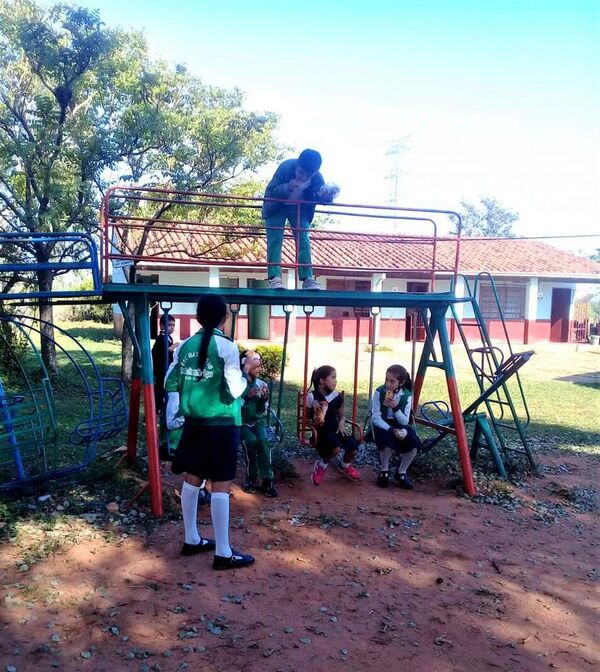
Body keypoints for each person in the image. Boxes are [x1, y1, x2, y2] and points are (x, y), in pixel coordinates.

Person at [165, 295, 255, 570]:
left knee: (194, 479)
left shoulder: (183, 346)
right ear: (224, 319)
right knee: (221, 484)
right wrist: (247, 369)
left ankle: (192, 538)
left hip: (194, 424)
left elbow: (170, 381)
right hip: (222, 424)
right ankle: (224, 552)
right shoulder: (227, 347)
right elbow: (237, 389)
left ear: (197, 318)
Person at [262, 148, 339, 291]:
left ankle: (308, 278)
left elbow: (322, 198)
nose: (303, 176)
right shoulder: (286, 167)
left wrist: (326, 196)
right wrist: (289, 186)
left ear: (314, 173)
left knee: (303, 238)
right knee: (275, 238)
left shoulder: (317, 178)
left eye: (307, 175)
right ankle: (275, 277)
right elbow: (272, 191)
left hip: (299, 208)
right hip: (276, 206)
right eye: (300, 172)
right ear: (297, 165)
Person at [306, 365, 360, 486]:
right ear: (322, 380)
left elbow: (342, 416)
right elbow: (306, 419)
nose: (336, 381)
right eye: (333, 377)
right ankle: (321, 465)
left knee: (353, 447)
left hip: (335, 430)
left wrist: (341, 424)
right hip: (321, 433)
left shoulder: (336, 396)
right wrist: (315, 422)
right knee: (336, 448)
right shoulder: (312, 397)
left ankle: (345, 465)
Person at [371, 364, 421, 489]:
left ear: (401, 382)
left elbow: (404, 421)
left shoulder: (407, 396)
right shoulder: (379, 392)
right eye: (387, 379)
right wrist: (392, 430)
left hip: (399, 424)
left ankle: (402, 472)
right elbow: (375, 417)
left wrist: (395, 407)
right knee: (386, 439)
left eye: (392, 381)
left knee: (414, 442)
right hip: (382, 424)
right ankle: (384, 470)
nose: (388, 384)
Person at [239, 350, 277, 498]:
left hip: (257, 421)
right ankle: (251, 477)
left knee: (263, 441)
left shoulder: (261, 384)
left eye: (259, 367)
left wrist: (263, 399)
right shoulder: (239, 384)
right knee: (251, 441)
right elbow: (234, 406)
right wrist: (247, 397)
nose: (259, 370)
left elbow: (262, 410)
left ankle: (268, 479)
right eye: (255, 367)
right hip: (242, 422)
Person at [152, 314, 177, 415]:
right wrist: (175, 345)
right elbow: (166, 350)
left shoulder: (168, 337)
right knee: (159, 390)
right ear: (162, 326)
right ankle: (155, 410)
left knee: (162, 389)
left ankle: (161, 408)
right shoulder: (161, 337)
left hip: (164, 367)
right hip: (160, 368)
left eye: (173, 325)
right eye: (170, 325)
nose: (172, 327)